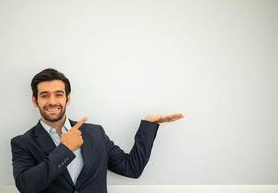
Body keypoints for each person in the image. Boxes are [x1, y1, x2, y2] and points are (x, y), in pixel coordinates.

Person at [11, 68, 184, 193]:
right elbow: (27, 186)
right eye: (44, 95)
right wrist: (65, 149)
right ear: (35, 100)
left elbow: (132, 168)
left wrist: (148, 125)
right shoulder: (22, 142)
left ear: (67, 98)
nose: (52, 101)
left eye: (58, 94)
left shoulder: (95, 133)